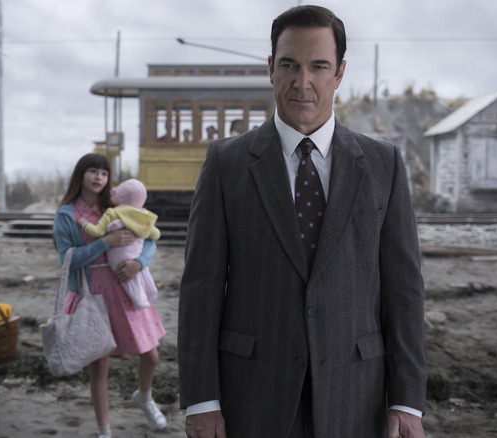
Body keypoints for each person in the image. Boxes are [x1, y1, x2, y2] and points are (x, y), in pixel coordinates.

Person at [178, 5, 427, 438]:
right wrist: (202, 400)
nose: (302, 82)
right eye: (290, 64)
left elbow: (404, 289)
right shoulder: (226, 163)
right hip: (252, 395)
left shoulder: (383, 164)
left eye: (319, 66)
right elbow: (200, 288)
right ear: (271, 68)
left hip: (355, 396)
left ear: (340, 72)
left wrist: (406, 400)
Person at [53, 153, 167, 438]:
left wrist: (139, 263)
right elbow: (68, 260)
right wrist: (104, 242)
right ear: (81, 175)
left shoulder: (117, 205)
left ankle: (144, 397)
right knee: (99, 366)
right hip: (92, 295)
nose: (98, 178)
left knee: (151, 355)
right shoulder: (66, 214)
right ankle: (104, 432)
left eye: (104, 173)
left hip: (127, 288)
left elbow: (148, 239)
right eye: (93, 171)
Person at [77, 178, 161, 309]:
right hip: (135, 255)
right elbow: (155, 236)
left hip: (117, 258)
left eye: (104, 173)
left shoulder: (113, 212)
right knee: (142, 276)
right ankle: (149, 294)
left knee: (128, 281)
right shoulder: (143, 215)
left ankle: (140, 300)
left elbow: (96, 231)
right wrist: (141, 233)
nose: (99, 177)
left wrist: (84, 223)